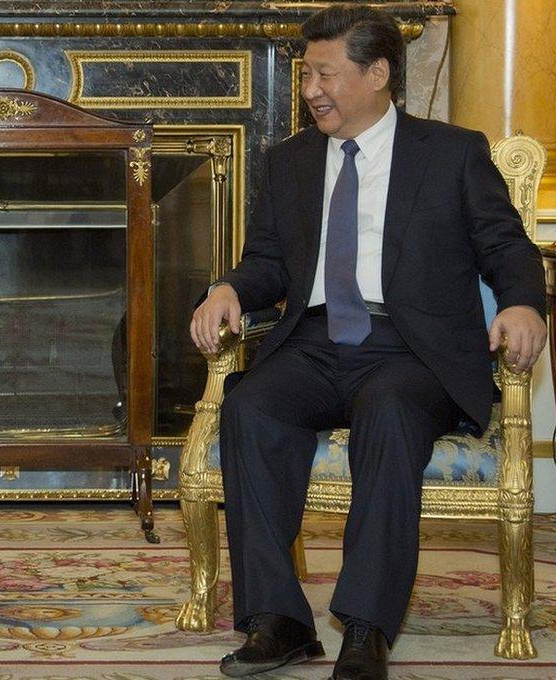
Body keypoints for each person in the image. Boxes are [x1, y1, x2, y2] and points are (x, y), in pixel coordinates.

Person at [190, 5, 546, 680]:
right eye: (305, 75)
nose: (310, 90)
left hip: (411, 350)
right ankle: (280, 622)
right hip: (317, 340)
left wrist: (524, 304)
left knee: (388, 409)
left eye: (326, 73)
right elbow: (266, 261)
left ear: (378, 74)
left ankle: (365, 627)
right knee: (252, 406)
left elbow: (506, 246)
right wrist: (229, 289)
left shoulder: (450, 153)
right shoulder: (290, 161)